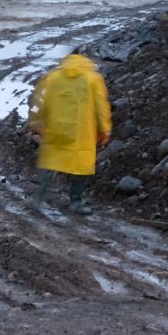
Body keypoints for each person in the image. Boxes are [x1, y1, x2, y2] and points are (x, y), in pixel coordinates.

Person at [28, 53, 112, 215]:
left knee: (50, 162)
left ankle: (38, 197)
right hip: (81, 133)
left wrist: (35, 121)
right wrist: (105, 129)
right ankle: (76, 202)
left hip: (55, 129)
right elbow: (101, 106)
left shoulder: (52, 77)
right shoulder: (93, 79)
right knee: (80, 166)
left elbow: (39, 100)